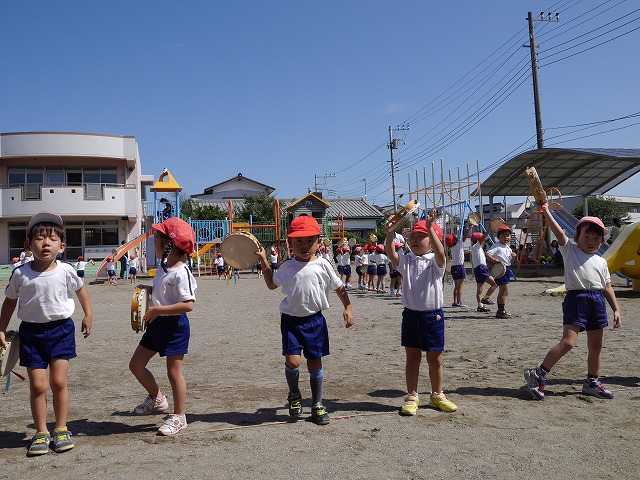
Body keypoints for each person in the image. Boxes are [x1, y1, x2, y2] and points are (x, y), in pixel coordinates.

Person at [0, 212, 93, 456]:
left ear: (62, 246)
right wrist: (1, 328)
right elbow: (9, 302)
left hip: (61, 330)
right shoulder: (20, 274)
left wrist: (88, 314)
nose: (45, 243)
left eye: (52, 239)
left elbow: (81, 290)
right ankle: (41, 432)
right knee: (38, 386)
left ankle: (61, 428)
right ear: (28, 245)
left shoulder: (66, 270)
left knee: (59, 382)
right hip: (31, 333)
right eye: (39, 238)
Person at [255, 215, 354, 425]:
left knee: (314, 362)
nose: (304, 245)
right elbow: (271, 284)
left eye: (310, 240)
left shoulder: (324, 265)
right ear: (290, 242)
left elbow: (339, 287)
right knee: (293, 361)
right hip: (291, 322)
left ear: (319, 241)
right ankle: (294, 395)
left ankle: (317, 404)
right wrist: (263, 260)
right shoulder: (287, 266)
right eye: (298, 241)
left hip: (315, 321)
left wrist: (348, 307)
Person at [524, 204, 621, 401]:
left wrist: (616, 309)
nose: (591, 242)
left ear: (602, 240)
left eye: (596, 238)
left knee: (596, 346)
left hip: (597, 301)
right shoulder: (570, 250)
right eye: (586, 237)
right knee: (568, 342)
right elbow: (559, 233)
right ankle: (538, 373)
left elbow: (607, 287)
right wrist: (546, 211)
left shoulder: (602, 262)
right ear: (577, 237)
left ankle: (592, 382)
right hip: (576, 299)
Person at [128, 217, 197, 435]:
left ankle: (179, 417)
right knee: (136, 365)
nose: (154, 242)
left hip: (175, 326)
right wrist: (148, 290)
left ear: (169, 244)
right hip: (156, 323)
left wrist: (158, 310)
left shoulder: (182, 272)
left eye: (157, 238)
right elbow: (163, 292)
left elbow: (188, 304)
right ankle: (157, 398)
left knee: (174, 373)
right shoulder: (163, 267)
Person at [385, 212, 457, 416]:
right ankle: (412, 395)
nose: (415, 240)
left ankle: (437, 395)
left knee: (435, 359)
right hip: (410, 316)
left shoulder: (435, 261)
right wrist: (390, 233)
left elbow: (441, 252)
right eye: (412, 237)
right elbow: (391, 253)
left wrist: (430, 228)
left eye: (420, 236)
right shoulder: (406, 260)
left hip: (433, 317)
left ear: (432, 241)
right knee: (412, 358)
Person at [485, 225, 517, 319]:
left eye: (508, 235)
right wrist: (494, 260)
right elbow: (487, 254)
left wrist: (513, 258)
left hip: (506, 269)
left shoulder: (508, 248)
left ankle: (501, 310)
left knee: (504, 291)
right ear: (498, 237)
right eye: (503, 235)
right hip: (499, 271)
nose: (506, 237)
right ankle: (500, 311)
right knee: (504, 291)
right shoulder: (497, 246)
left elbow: (509, 262)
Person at [470, 231, 498, 313]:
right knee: (495, 283)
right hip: (481, 268)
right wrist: (488, 231)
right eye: (483, 239)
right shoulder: (476, 246)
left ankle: (480, 306)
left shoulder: (476, 248)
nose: (484, 241)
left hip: (478, 269)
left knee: (480, 289)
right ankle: (486, 298)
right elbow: (481, 239)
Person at [446, 223, 472, 308]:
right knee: (460, 286)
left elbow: (460, 253)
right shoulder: (459, 244)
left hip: (454, 267)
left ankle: (455, 302)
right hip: (460, 267)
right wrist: (469, 229)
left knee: (456, 286)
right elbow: (464, 237)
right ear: (455, 240)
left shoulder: (453, 247)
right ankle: (459, 302)